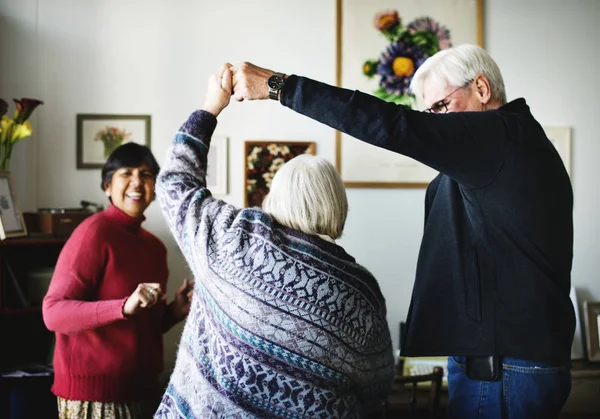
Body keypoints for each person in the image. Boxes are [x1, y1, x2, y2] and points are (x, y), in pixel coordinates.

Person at [230, 43, 575, 419]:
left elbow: (395, 126)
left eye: (441, 107)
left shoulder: (502, 135)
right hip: (502, 362)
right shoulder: (506, 148)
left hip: (503, 368)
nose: (436, 121)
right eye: (430, 113)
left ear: (481, 88)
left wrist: (279, 86)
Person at [153, 65, 395, 418]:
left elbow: (175, 183)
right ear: (338, 207)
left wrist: (210, 108)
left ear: (274, 198)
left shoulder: (233, 238)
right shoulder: (360, 292)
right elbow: (377, 389)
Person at [42, 142, 193, 419]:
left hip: (143, 390)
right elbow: (53, 313)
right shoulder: (93, 233)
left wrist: (176, 310)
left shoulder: (155, 247)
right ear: (107, 186)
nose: (137, 181)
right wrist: (122, 306)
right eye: (126, 173)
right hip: (95, 397)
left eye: (146, 175)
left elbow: (143, 328)